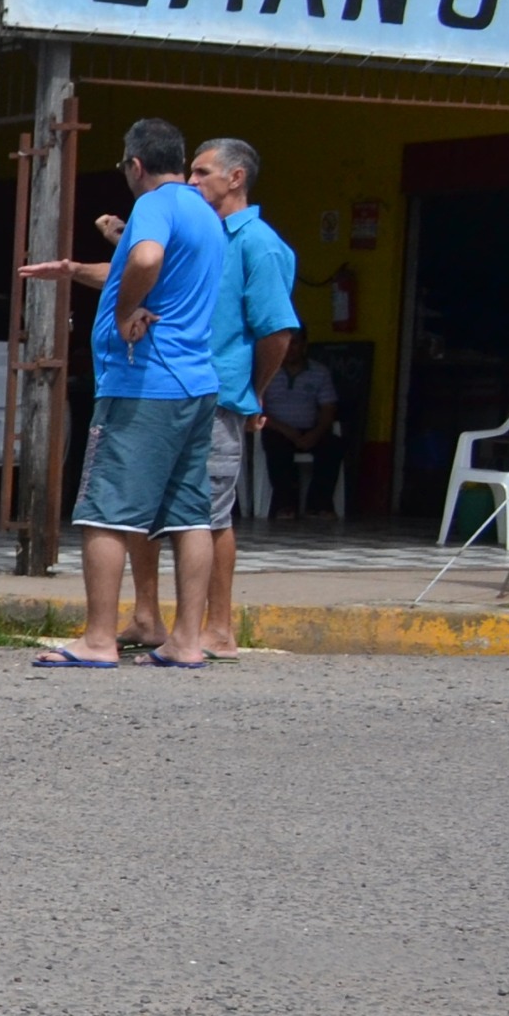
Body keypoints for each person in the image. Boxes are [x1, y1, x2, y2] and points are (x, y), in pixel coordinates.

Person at [19, 116, 228, 669]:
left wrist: (123, 309)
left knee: (106, 511)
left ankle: (97, 639)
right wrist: (74, 269)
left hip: (145, 382)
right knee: (188, 516)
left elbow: (145, 262)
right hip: (196, 382)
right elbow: (142, 266)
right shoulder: (204, 214)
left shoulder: (155, 205)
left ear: (136, 166)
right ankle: (186, 640)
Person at [189, 136, 298, 658]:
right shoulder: (207, 235)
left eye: (202, 172)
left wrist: (254, 392)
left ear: (235, 178)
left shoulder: (258, 243)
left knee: (214, 514)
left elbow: (276, 330)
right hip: (184, 391)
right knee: (183, 513)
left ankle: (220, 627)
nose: (192, 181)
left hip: (222, 395)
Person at [258, 332, 342, 518]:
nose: (290, 349)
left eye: (294, 343)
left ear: (304, 345)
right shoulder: (267, 371)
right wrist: (287, 431)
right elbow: (258, 409)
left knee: (333, 446)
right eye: (286, 344)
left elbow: (328, 408)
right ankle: (285, 505)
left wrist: (315, 433)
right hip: (277, 429)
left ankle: (319, 505)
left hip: (311, 430)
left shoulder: (319, 372)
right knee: (276, 448)